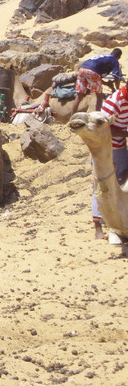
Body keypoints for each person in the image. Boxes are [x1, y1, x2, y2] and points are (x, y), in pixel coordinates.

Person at [90, 83, 128, 244]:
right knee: (101, 186)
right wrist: (126, 133)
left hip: (121, 148)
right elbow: (101, 127)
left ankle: (117, 225)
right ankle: (98, 226)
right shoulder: (115, 101)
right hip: (105, 151)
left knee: (120, 184)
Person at [71, 48, 123, 115]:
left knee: (79, 96)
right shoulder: (114, 60)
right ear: (119, 57)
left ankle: (72, 116)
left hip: (82, 68)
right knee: (99, 96)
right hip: (92, 71)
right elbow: (116, 76)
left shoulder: (104, 58)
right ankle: (98, 117)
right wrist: (117, 89)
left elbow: (97, 78)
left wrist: (107, 84)